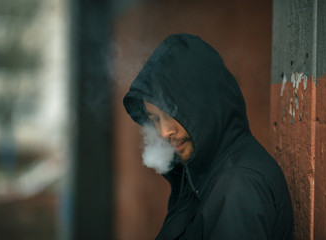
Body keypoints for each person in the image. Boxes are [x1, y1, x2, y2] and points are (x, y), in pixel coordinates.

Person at [123, 34, 293, 240]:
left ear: (203, 103)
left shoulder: (238, 186)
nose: (163, 132)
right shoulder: (201, 172)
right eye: (155, 118)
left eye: (171, 113)